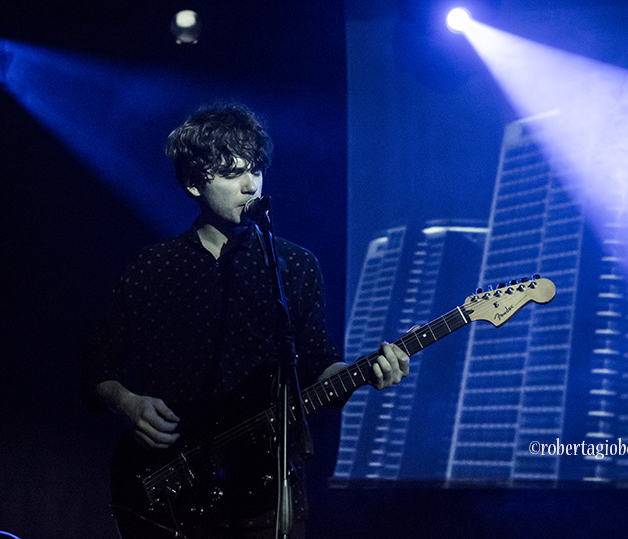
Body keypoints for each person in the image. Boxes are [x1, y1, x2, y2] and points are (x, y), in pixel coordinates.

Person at [84, 103, 409, 539]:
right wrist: (127, 402)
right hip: (167, 484)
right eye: (233, 173)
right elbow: (95, 364)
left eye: (255, 170)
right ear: (194, 184)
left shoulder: (295, 265)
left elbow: (317, 364)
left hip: (265, 489)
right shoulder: (152, 268)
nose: (250, 185)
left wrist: (364, 372)